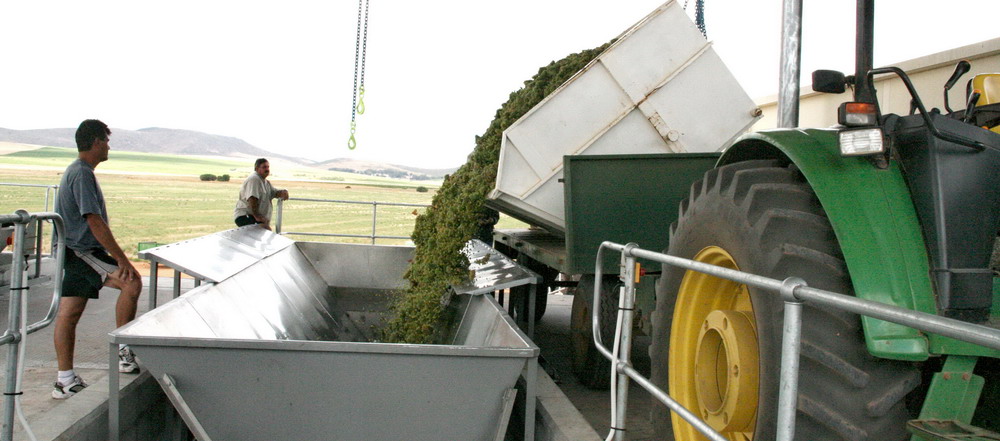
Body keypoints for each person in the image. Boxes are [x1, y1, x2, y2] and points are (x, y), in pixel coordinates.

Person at [52, 119, 143, 399]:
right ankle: (123, 352)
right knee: (131, 282)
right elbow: (93, 220)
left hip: (72, 250)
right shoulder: (81, 173)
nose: (109, 146)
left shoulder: (80, 171)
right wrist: (121, 259)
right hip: (81, 251)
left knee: (69, 314)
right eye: (106, 140)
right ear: (95, 142)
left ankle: (64, 381)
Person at [233, 158, 289, 229]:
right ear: (257, 169)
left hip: (253, 217)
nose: (267, 169)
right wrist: (257, 216)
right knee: (266, 230)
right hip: (246, 216)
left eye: (268, 167)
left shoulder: (266, 182)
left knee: (264, 233)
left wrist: (284, 192)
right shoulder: (254, 179)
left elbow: (275, 193)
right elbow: (252, 198)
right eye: (264, 167)